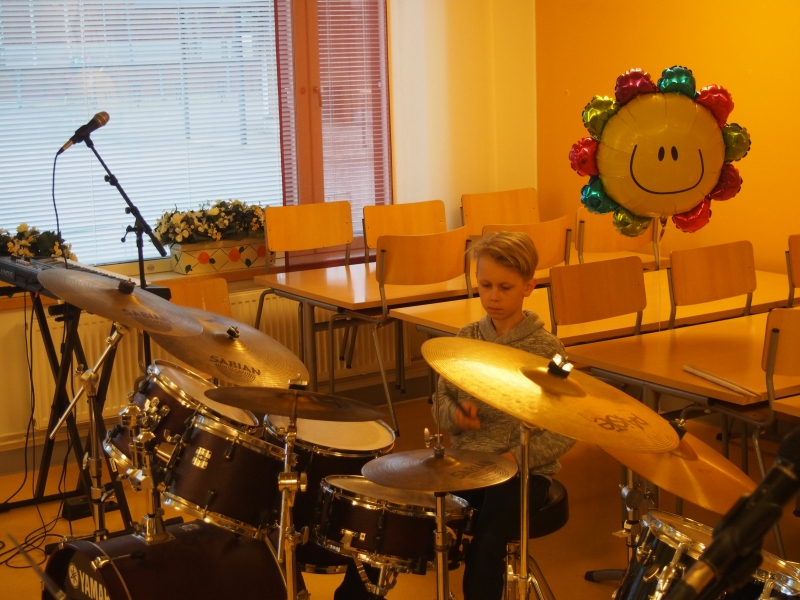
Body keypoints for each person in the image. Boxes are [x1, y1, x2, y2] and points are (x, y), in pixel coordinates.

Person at [435, 231, 576, 600]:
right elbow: (440, 403)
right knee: (397, 509)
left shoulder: (549, 349)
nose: (493, 297)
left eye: (505, 287)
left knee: (489, 538)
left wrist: (517, 456)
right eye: (485, 286)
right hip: (467, 464)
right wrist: (455, 416)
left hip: (523, 472)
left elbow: (568, 426)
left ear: (529, 286)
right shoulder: (465, 337)